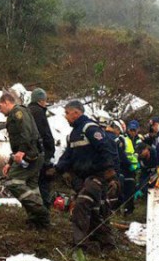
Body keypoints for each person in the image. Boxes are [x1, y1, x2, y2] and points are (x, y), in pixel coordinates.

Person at [51, 100, 118, 250]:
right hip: (83, 178)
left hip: (97, 175)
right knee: (94, 210)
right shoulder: (73, 135)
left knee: (81, 204)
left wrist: (109, 171)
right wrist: (56, 170)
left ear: (76, 113)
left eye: (67, 113)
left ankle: (79, 244)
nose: (65, 117)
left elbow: (105, 148)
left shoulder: (90, 128)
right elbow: (67, 157)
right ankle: (107, 243)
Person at [0, 92, 51, 229]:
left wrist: (22, 151)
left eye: (0, 106)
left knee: (12, 182)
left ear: (7, 102)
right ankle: (38, 220)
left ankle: (41, 212)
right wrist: (10, 162)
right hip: (32, 154)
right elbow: (17, 141)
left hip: (30, 154)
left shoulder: (18, 112)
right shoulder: (16, 113)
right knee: (32, 186)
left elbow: (26, 132)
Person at [27, 88, 56, 207]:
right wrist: (50, 151)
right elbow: (45, 134)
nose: (45, 102)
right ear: (40, 100)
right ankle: (44, 211)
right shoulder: (39, 112)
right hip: (41, 154)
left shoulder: (27, 111)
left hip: (30, 153)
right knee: (43, 183)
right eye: (45, 100)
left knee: (33, 183)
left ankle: (34, 209)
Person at [104, 120, 130, 211]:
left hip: (98, 169)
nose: (119, 134)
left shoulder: (100, 135)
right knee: (115, 191)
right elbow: (120, 156)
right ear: (116, 128)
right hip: (112, 170)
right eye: (119, 132)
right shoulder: (115, 140)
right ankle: (113, 210)